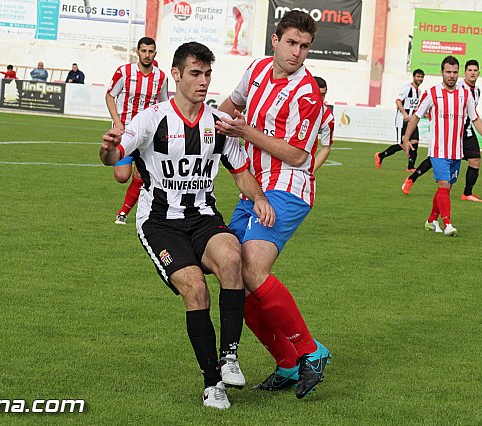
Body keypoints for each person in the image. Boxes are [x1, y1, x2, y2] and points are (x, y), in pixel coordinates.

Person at [100, 42, 275, 410]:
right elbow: (116, 162)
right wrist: (110, 148)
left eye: (207, 74)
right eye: (195, 73)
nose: (203, 81)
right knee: (195, 290)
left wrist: (258, 197)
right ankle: (212, 384)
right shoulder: (151, 119)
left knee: (232, 259)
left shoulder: (217, 124)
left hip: (203, 217)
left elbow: (241, 172)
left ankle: (229, 357)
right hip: (161, 223)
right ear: (176, 75)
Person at [216, 10, 331, 399]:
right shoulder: (258, 69)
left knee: (251, 264)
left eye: (305, 46)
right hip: (252, 185)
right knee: (230, 272)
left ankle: (311, 351)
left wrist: (245, 130)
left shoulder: (308, 92)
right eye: (292, 43)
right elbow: (230, 105)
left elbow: (298, 155)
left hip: (289, 187)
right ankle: (285, 361)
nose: (298, 52)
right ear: (275, 40)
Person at [402, 56, 482, 236]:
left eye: (454, 72)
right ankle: (448, 224)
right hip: (438, 149)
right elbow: (416, 117)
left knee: (447, 188)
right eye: (448, 72)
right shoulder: (431, 93)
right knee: (444, 185)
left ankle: (431, 221)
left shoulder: (465, 94)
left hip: (456, 151)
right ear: (441, 72)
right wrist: (406, 138)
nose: (451, 76)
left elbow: (475, 118)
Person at [106, 37, 168, 225]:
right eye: (144, 51)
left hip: (148, 136)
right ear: (138, 52)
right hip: (125, 132)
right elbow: (110, 95)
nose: (147, 55)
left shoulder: (161, 77)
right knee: (122, 176)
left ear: (155, 53)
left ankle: (123, 213)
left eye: (150, 51)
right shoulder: (124, 72)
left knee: (141, 174)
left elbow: (164, 104)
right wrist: (117, 121)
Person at [375, 69, 425, 171]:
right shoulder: (407, 88)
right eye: (418, 76)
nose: (419, 79)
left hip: (412, 121)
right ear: (413, 77)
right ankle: (381, 155)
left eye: (421, 77)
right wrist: (404, 113)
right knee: (402, 144)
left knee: (415, 142)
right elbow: (398, 101)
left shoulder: (419, 91)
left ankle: (410, 167)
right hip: (402, 121)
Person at [313, 76, 334, 171]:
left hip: (302, 166)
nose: (320, 98)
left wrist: (310, 171)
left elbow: (326, 148)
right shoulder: (291, 104)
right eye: (317, 93)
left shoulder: (328, 117)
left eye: (323, 95)